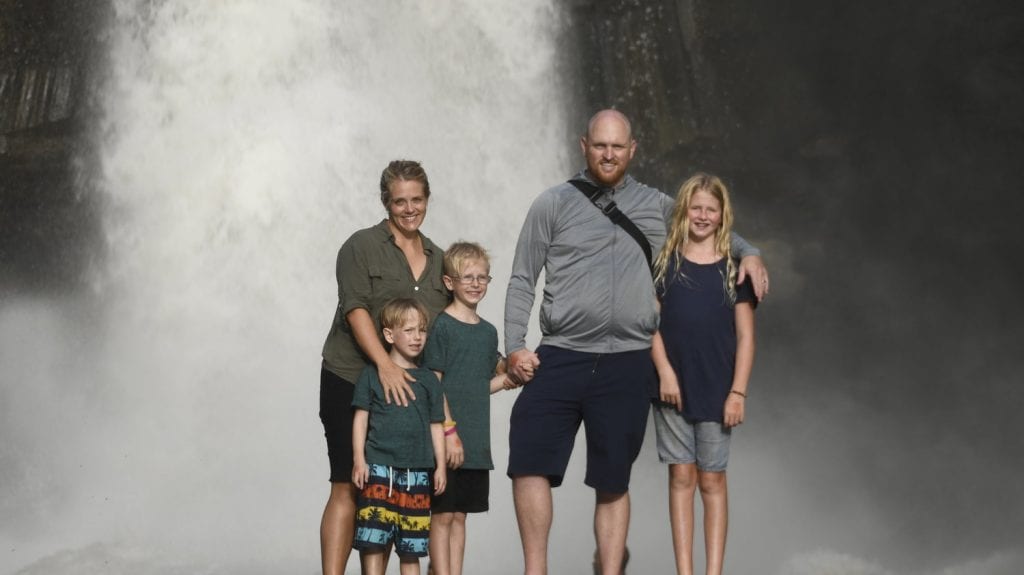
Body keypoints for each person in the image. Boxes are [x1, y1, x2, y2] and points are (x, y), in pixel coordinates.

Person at [503, 109, 769, 575]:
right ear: (583, 145)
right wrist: (514, 346)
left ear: (632, 150)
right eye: (600, 145)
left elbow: (709, 224)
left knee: (612, 478)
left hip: (627, 359)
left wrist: (751, 253)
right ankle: (535, 570)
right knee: (528, 458)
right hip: (561, 351)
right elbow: (523, 276)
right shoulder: (552, 204)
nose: (609, 154)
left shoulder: (655, 205)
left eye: (617, 146)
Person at [319, 160, 449, 575]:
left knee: (394, 491)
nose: (409, 209)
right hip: (349, 378)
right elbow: (355, 310)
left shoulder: (439, 259)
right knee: (348, 483)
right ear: (385, 203)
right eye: (400, 202)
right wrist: (384, 365)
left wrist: (502, 366)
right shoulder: (360, 246)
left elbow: (451, 327)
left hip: (406, 398)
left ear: (427, 199)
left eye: (417, 200)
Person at [650, 173, 757, 575]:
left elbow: (746, 338)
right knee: (681, 476)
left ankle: (714, 571)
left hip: (717, 389)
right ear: (684, 210)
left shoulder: (734, 270)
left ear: (722, 215)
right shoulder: (666, 263)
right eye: (696, 207)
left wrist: (738, 393)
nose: (702, 215)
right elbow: (650, 326)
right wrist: (663, 372)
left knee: (712, 481)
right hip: (671, 388)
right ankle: (685, 570)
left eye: (710, 209)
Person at [422, 242, 516, 575]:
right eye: (467, 277)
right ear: (449, 282)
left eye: (482, 278)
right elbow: (433, 384)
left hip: (475, 442)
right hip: (447, 438)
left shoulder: (488, 333)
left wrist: (506, 381)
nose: (476, 284)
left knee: (460, 516)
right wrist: (449, 433)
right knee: (442, 515)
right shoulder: (442, 327)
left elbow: (479, 386)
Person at [352, 298, 447, 575]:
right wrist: (360, 460)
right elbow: (361, 419)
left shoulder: (429, 380)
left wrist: (440, 466)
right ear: (389, 335)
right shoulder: (371, 376)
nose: (417, 337)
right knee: (373, 543)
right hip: (379, 471)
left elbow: (436, 424)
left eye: (422, 330)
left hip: (417, 474)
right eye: (409, 330)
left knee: (411, 549)